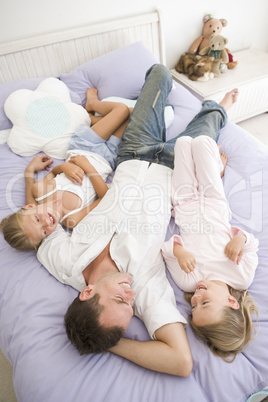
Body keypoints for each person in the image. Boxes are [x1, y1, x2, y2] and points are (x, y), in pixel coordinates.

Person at [36, 63, 239, 376]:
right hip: (175, 169)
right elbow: (181, 363)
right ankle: (218, 108)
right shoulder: (143, 285)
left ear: (87, 293)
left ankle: (104, 108)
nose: (128, 294)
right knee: (210, 120)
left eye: (119, 298)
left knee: (160, 73)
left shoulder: (61, 260)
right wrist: (105, 341)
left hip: (132, 153)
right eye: (129, 307)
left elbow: (35, 222)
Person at [161, 134, 259, 362]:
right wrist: (240, 240)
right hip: (215, 201)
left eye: (194, 307)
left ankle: (216, 167)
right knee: (203, 141)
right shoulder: (241, 276)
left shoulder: (189, 281)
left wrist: (179, 251)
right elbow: (252, 244)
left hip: (184, 203)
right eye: (204, 302)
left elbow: (166, 249)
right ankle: (218, 168)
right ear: (231, 302)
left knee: (184, 142)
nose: (195, 298)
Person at [0, 90, 131, 251]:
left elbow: (55, 172)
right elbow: (105, 197)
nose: (47, 223)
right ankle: (93, 119)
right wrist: (88, 168)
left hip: (85, 146)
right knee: (131, 115)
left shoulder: (40, 191)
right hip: (108, 159)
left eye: (37, 220)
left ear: (28, 207)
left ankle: (92, 104)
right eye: (44, 232)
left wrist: (65, 166)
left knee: (122, 110)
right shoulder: (72, 220)